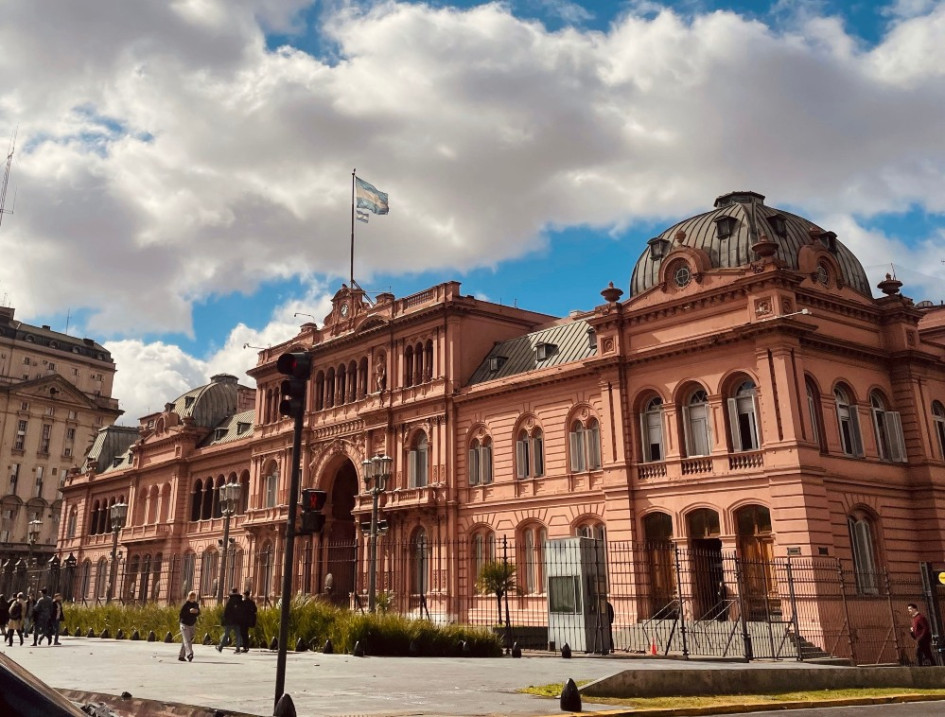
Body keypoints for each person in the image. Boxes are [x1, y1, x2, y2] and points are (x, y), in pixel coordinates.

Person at [216, 588, 243, 653]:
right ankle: (238, 648)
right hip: (237, 621)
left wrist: (224, 620)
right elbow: (242, 611)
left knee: (226, 634)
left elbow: (226, 612)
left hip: (229, 621)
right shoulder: (240, 601)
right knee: (238, 635)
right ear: (237, 592)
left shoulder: (230, 600)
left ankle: (220, 647)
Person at [178, 590, 200, 662]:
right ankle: (190, 654)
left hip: (192, 624)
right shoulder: (185, 604)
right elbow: (181, 614)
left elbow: (198, 612)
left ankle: (181, 656)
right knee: (187, 640)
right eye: (191, 597)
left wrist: (196, 612)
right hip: (184, 624)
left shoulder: (195, 604)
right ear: (188, 597)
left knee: (187, 640)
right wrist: (189, 611)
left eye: (194, 597)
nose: (192, 598)